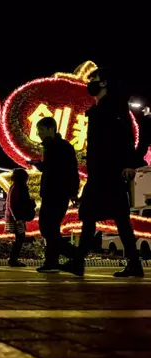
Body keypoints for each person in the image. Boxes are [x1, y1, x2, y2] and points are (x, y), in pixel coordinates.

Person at [63, 68, 144, 277]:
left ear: (105, 83)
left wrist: (129, 164)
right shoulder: (99, 109)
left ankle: (131, 264)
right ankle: (81, 262)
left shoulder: (115, 108)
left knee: (115, 219)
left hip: (111, 173)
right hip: (99, 173)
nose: (90, 83)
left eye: (94, 80)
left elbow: (127, 138)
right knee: (96, 217)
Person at [30, 116, 80, 273]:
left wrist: (73, 192)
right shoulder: (51, 147)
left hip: (57, 194)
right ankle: (51, 262)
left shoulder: (61, 147)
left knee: (47, 229)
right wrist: (41, 165)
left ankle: (76, 255)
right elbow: (53, 168)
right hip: (52, 193)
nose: (39, 134)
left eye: (41, 131)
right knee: (51, 229)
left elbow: (70, 170)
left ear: (50, 129)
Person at [4, 168, 34, 267]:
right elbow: (15, 204)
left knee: (19, 238)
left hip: (14, 217)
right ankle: (13, 260)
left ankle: (13, 260)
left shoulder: (13, 187)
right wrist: (17, 218)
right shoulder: (20, 187)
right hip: (17, 218)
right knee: (20, 238)